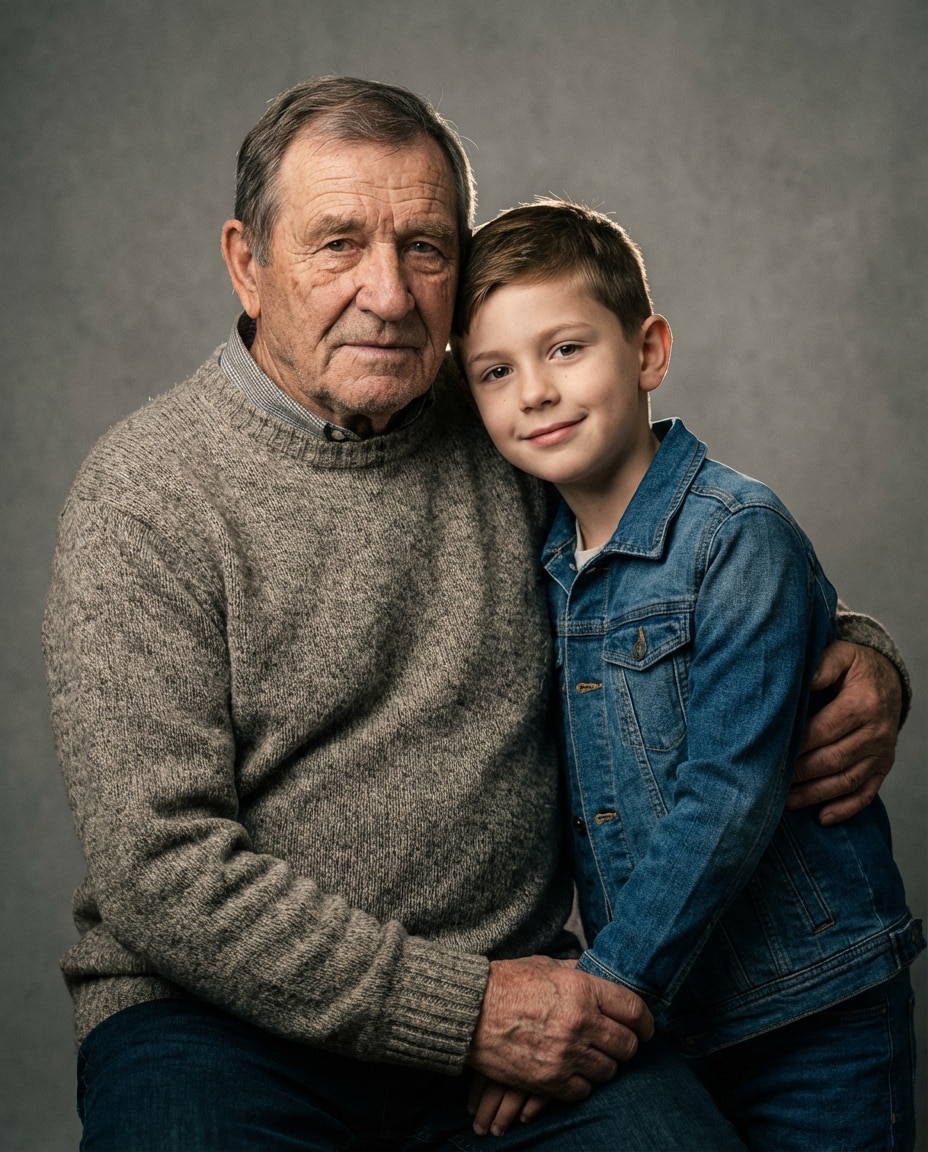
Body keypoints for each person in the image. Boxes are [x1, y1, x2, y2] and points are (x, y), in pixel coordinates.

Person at [42, 78, 908, 1152]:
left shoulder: (508, 418)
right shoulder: (145, 493)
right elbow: (160, 872)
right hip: (219, 1027)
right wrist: (466, 1017)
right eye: (337, 245)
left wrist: (857, 652)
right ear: (246, 265)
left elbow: (697, 551)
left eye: (425, 248)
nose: (390, 295)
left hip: (525, 1003)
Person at [452, 199, 923, 1150]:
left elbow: (729, 794)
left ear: (649, 352)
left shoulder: (735, 537)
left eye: (566, 349)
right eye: (496, 372)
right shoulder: (541, 559)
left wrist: (600, 994)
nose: (534, 393)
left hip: (811, 1005)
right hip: (680, 1015)